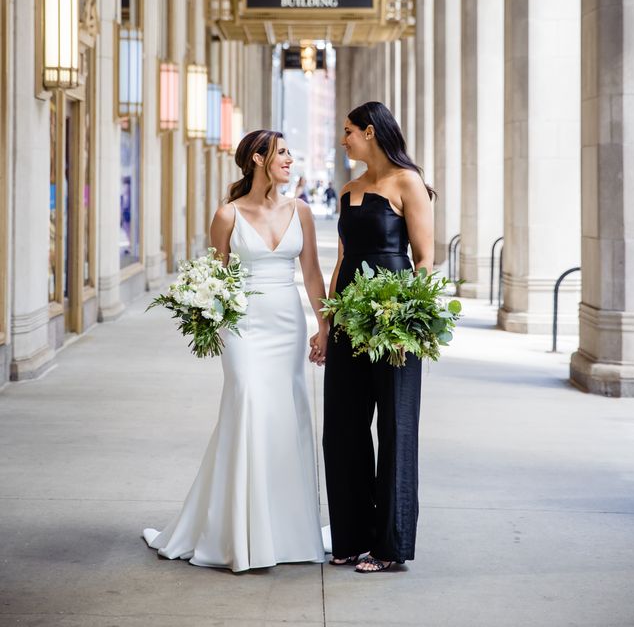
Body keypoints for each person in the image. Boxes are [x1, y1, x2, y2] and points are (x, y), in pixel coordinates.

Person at [143, 130, 330, 572]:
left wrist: (324, 326)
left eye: (289, 151)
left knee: (286, 413)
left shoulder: (300, 210)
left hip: (286, 324)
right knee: (246, 402)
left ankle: (286, 531)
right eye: (282, 152)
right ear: (259, 159)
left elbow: (313, 276)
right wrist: (207, 320)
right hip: (243, 327)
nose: (289, 158)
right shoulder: (227, 215)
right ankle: (240, 533)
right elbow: (213, 278)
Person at [315, 101, 434, 573]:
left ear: (369, 131)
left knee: (396, 429)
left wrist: (410, 322)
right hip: (347, 320)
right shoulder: (347, 191)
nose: (343, 140)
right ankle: (349, 537)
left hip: (394, 323)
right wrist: (326, 323)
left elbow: (424, 260)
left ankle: (389, 546)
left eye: (347, 132)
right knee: (341, 430)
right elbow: (342, 263)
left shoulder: (409, 184)